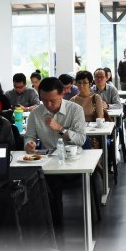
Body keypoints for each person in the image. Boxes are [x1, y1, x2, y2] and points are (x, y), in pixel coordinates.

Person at [24, 77, 87, 229]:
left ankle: (55, 228)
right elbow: (29, 136)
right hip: (47, 161)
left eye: (52, 100)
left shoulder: (75, 109)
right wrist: (29, 144)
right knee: (29, 181)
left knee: (51, 182)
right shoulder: (36, 113)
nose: (48, 104)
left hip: (72, 162)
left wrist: (60, 128)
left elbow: (80, 139)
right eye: (44, 100)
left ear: (62, 94)